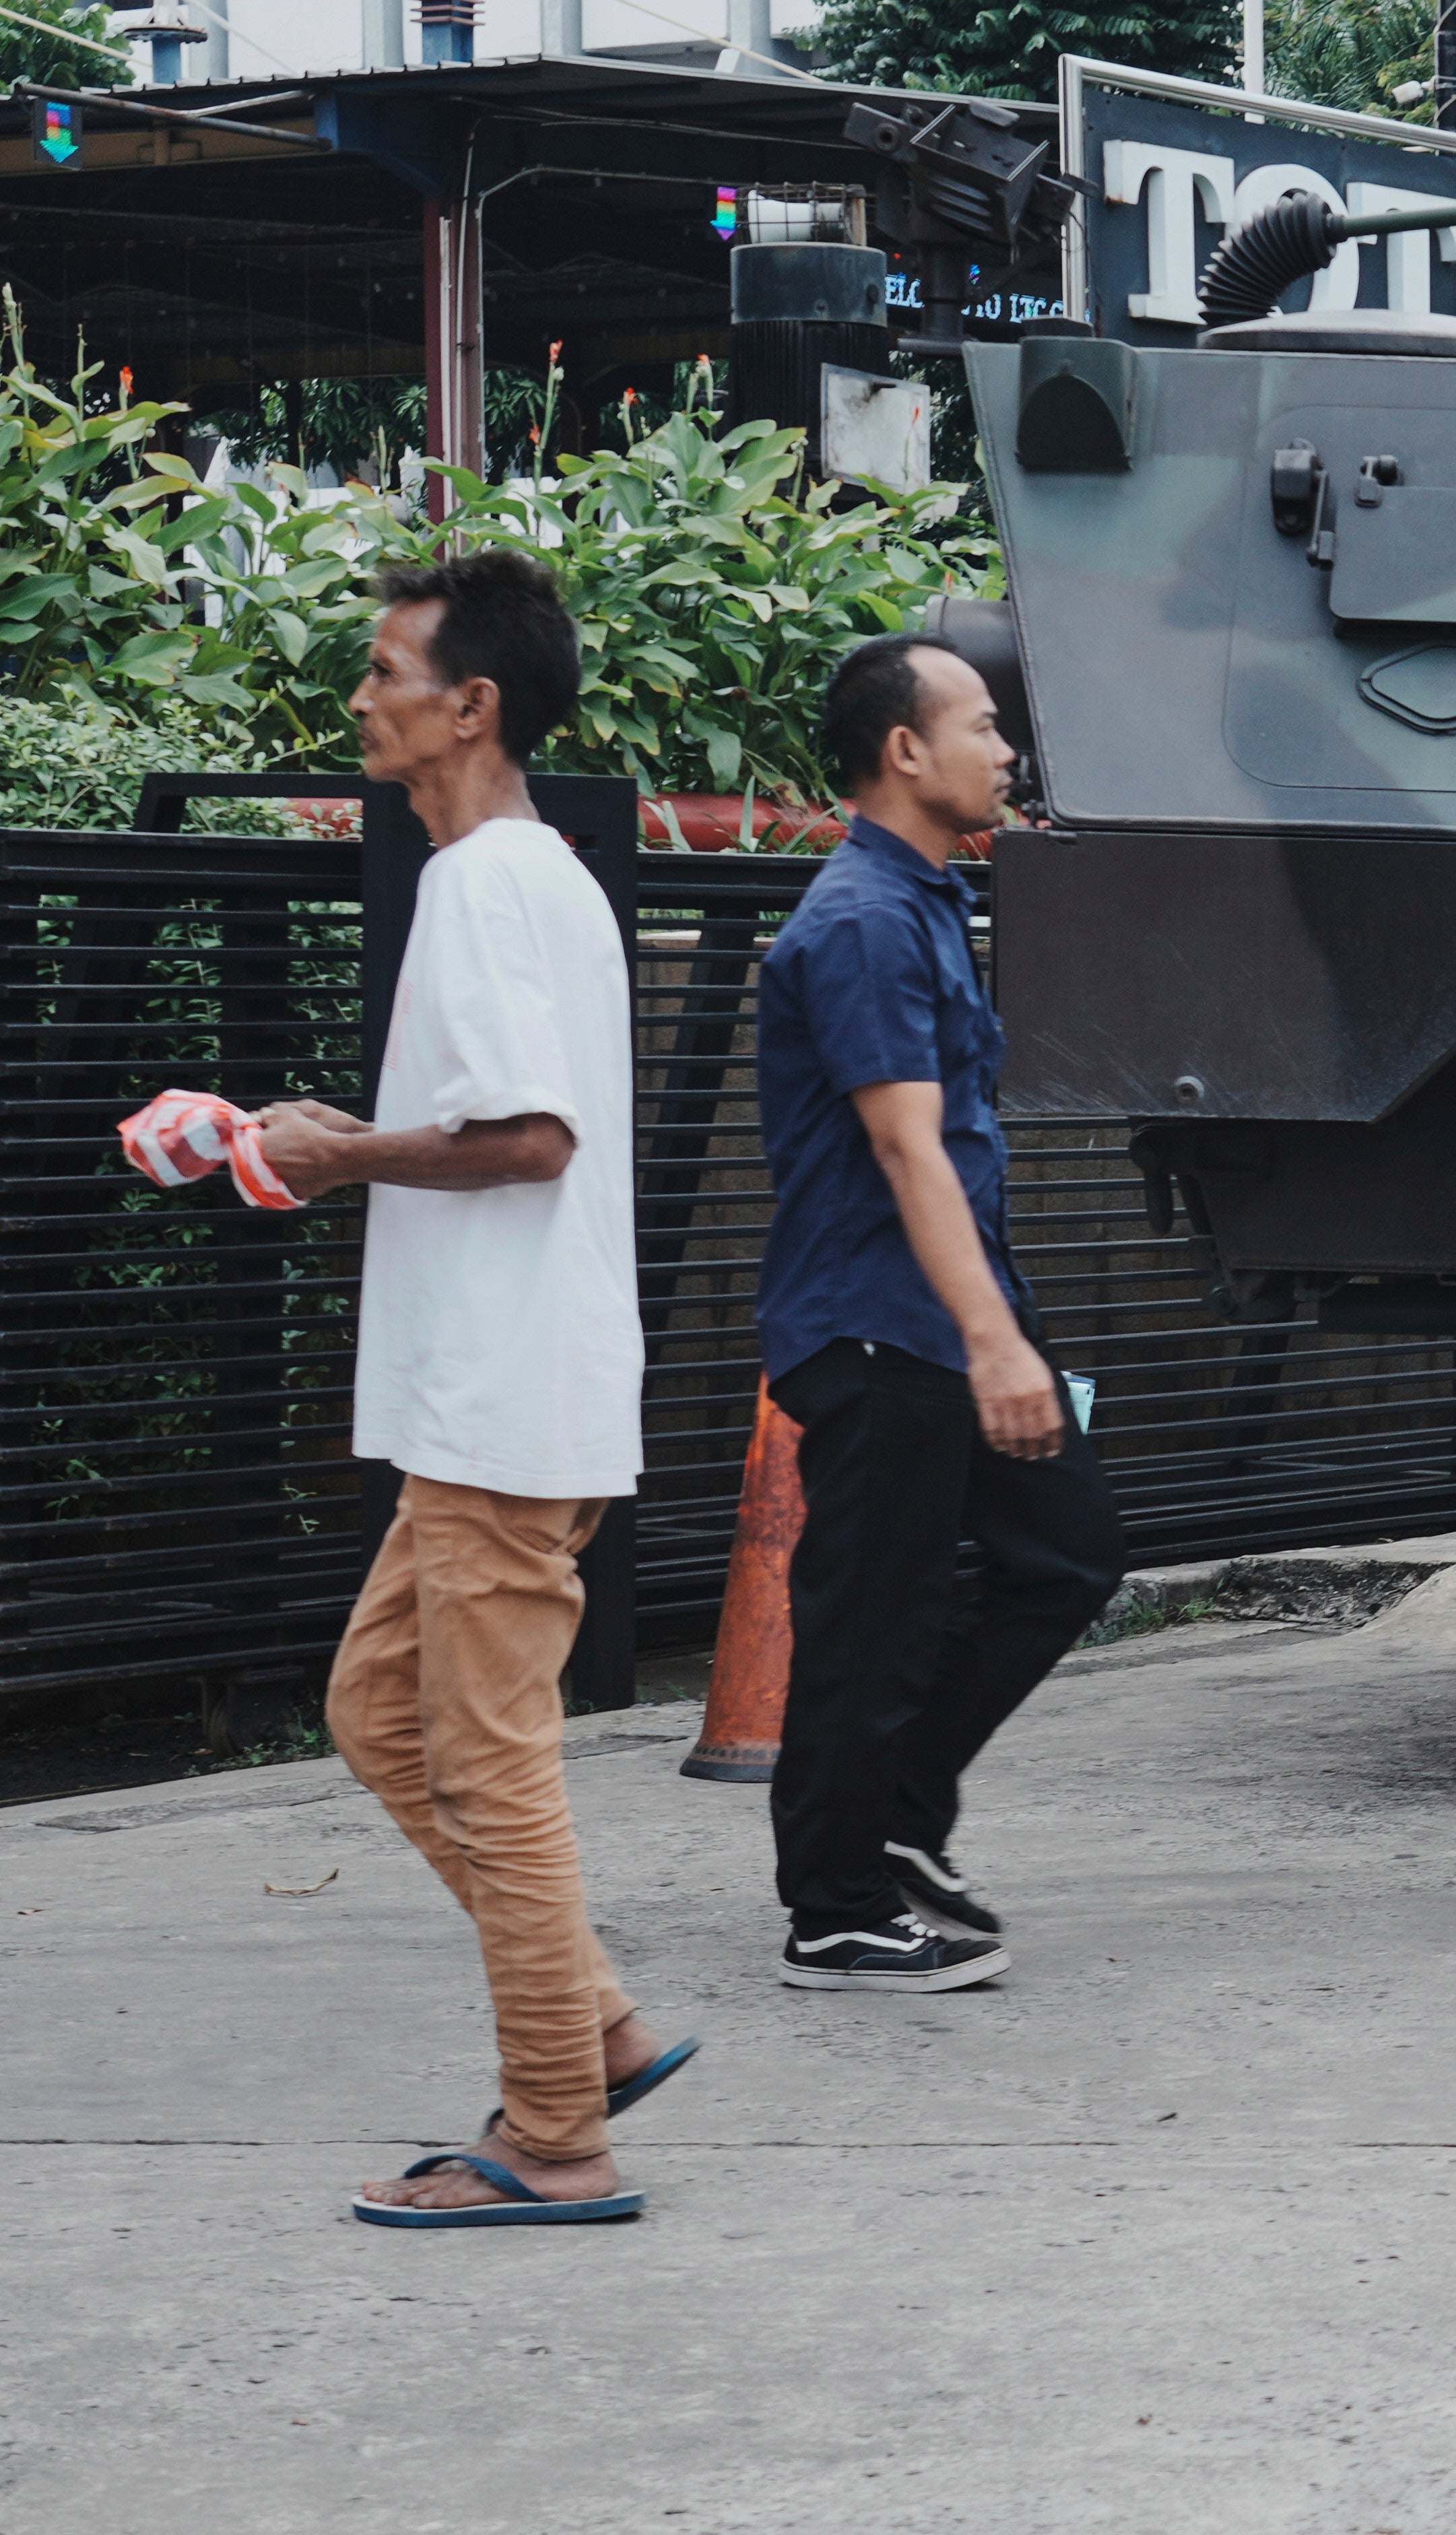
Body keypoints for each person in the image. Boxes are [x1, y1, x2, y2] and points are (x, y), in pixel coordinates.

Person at [261, 550, 690, 2229]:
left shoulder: (489, 885)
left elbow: (530, 1139)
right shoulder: (520, 878)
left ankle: (556, 2138)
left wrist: (333, 1153)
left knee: (492, 1771)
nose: (363, 698)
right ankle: (595, 2026)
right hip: (482, 1405)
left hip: (504, 1405)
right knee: (381, 1721)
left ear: (472, 703)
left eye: (384, 670)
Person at [753, 630, 1124, 1989]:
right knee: (873, 1622)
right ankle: (837, 1907)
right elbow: (906, 1149)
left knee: (1067, 1551)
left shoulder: (916, 903)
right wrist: (994, 1344)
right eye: (980, 724)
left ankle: (892, 1822)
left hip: (937, 1320)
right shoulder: (858, 922)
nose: (1006, 747)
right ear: (905, 751)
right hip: (881, 1326)